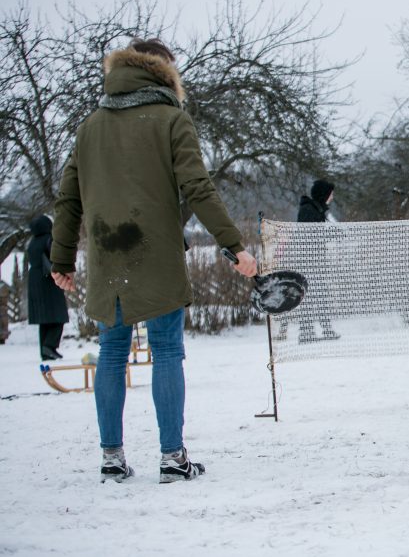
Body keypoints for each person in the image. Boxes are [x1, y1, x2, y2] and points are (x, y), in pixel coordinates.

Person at [50, 37, 258, 483]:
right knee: (166, 350)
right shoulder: (171, 119)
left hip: (107, 254)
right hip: (157, 253)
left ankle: (111, 456)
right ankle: (171, 457)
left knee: (111, 352)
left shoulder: (89, 127)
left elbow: (68, 199)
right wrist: (233, 245)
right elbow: (199, 188)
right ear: (164, 72)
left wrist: (62, 259)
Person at [295, 179, 338, 342]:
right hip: (308, 262)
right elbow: (308, 235)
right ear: (324, 194)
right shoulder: (308, 210)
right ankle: (306, 332)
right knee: (308, 296)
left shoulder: (319, 210)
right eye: (331, 193)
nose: (332, 197)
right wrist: (330, 235)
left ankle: (326, 329)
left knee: (322, 296)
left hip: (317, 261)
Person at [26, 215, 69, 361]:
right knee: (59, 315)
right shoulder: (49, 240)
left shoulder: (32, 243)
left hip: (34, 279)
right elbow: (56, 257)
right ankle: (50, 346)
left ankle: (45, 351)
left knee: (44, 318)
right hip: (49, 279)